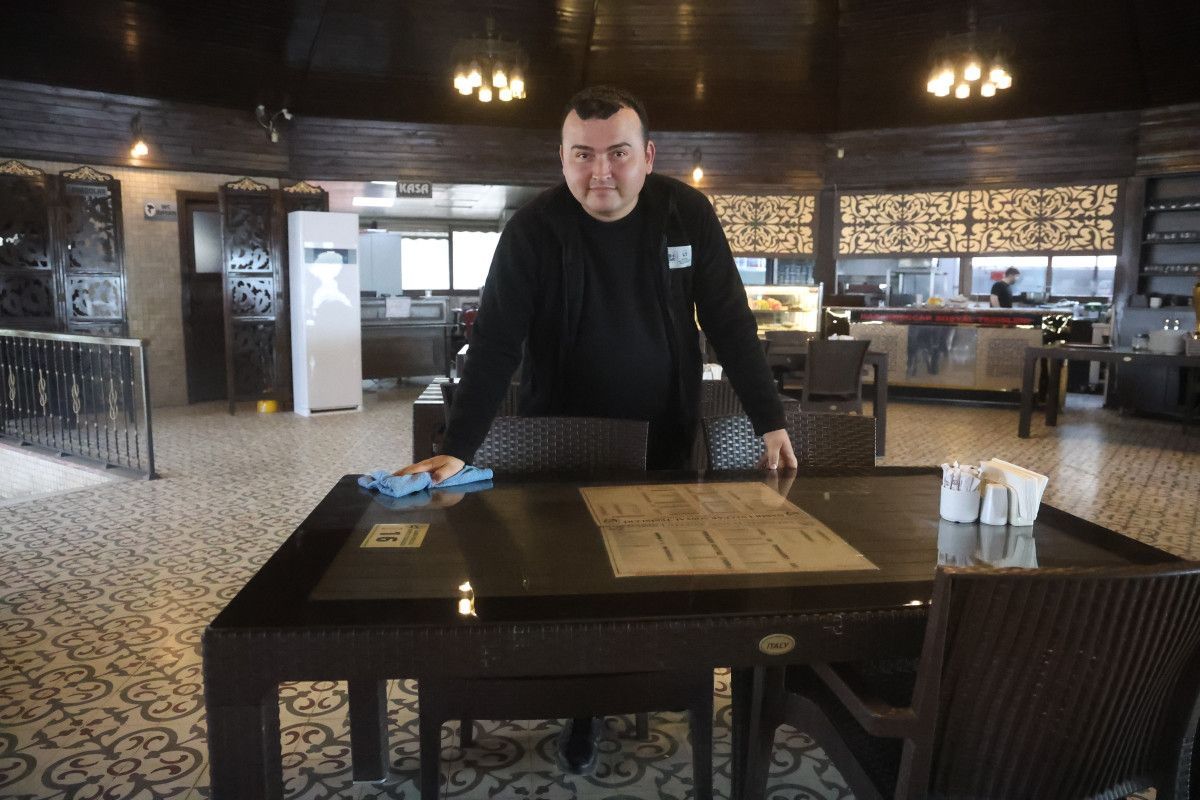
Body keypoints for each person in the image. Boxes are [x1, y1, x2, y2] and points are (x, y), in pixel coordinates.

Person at [394, 85, 797, 772]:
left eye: (617, 153)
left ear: (648, 156)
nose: (600, 172)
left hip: (663, 430)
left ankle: (648, 679)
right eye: (582, 155)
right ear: (562, 158)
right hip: (563, 440)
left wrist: (769, 419)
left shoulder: (685, 214)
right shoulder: (534, 229)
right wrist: (458, 447)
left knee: (658, 573)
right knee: (570, 586)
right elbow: (495, 344)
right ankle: (583, 706)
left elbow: (729, 319)